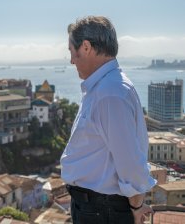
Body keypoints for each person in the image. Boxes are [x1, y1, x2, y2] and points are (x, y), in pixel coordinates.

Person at [60, 16, 156, 224]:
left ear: (85, 47)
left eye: (71, 51)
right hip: (98, 208)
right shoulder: (106, 87)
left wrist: (136, 207)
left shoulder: (109, 93)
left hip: (101, 211)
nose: (71, 60)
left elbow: (131, 164)